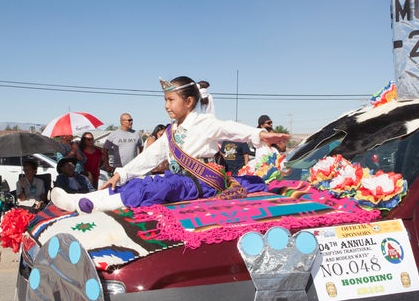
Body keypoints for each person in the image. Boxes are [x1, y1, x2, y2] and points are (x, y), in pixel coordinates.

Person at [51, 76, 289, 213]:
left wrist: (260, 135)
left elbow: (229, 128)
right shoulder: (172, 130)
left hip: (201, 182)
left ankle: (86, 205)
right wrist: (122, 174)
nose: (166, 105)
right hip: (181, 180)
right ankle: (83, 200)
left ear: (188, 101)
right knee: (141, 183)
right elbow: (152, 155)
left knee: (155, 190)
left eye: (171, 100)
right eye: (165, 100)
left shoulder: (204, 122)